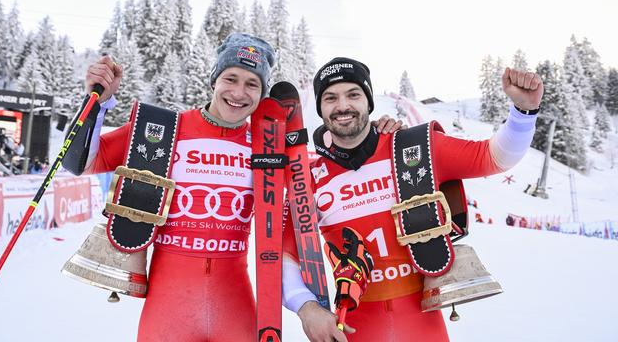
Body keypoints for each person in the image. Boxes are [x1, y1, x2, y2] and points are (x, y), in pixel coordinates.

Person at [63, 35, 401, 341]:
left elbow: (329, 166)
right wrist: (98, 103)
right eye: (231, 79)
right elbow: (81, 162)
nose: (239, 93)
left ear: (262, 93)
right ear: (214, 80)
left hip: (234, 305)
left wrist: (382, 136)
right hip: (169, 307)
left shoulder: (269, 146)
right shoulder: (166, 129)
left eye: (252, 84)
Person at [282, 57, 543, 341]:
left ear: (369, 102)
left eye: (353, 94)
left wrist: (523, 112)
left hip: (422, 325)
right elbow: (285, 254)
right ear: (320, 108)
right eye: (330, 97)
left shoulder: (412, 148)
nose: (342, 105)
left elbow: (493, 157)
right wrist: (307, 309)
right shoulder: (308, 177)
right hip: (355, 327)